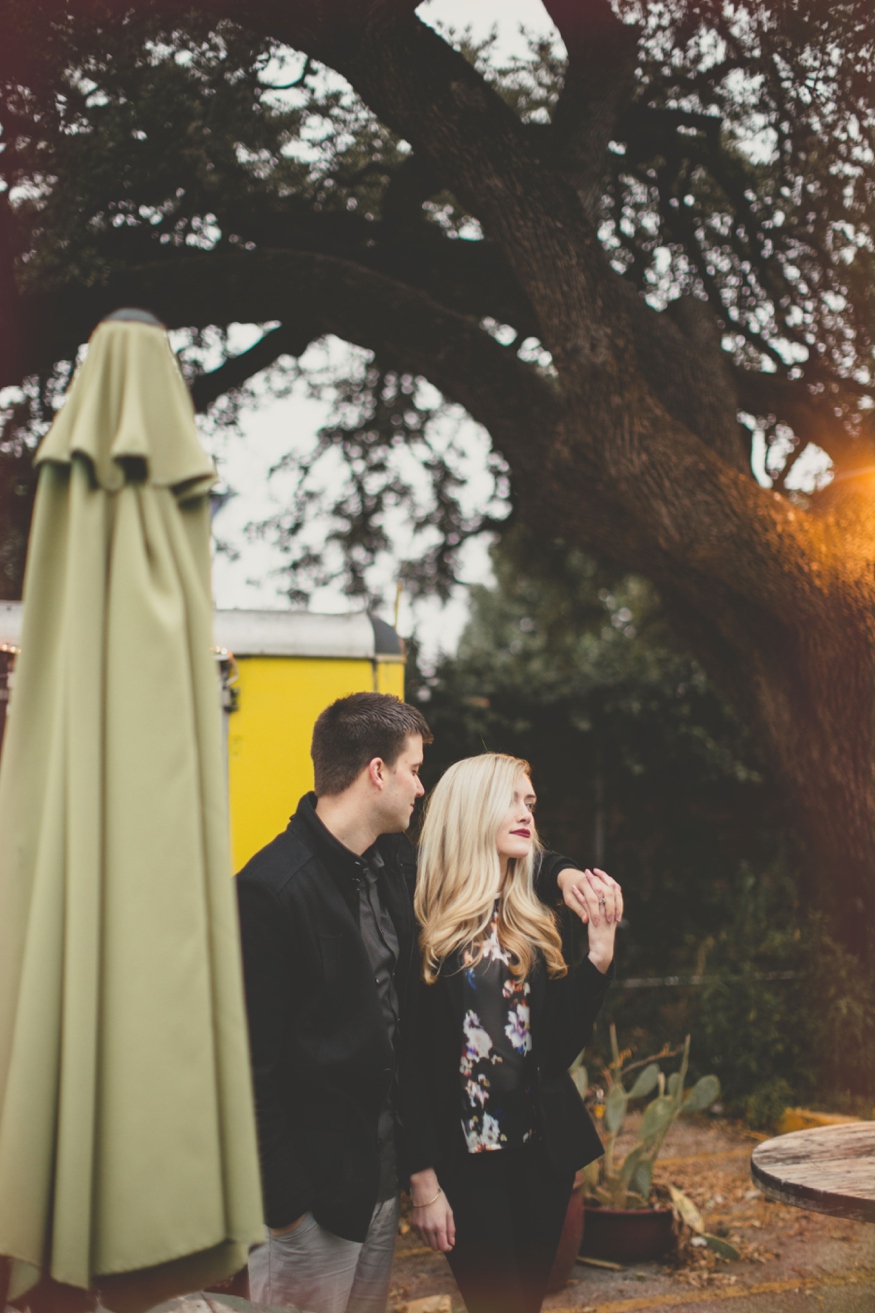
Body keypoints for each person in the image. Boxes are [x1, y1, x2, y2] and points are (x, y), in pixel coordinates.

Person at [401, 753, 620, 1313]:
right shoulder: (420, 916)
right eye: (512, 799)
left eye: (531, 803)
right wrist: (422, 1181)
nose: (527, 812)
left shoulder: (526, 914)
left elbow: (557, 1050)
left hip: (541, 1159)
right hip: (465, 1164)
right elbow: (407, 1064)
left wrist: (598, 957)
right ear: (473, 808)